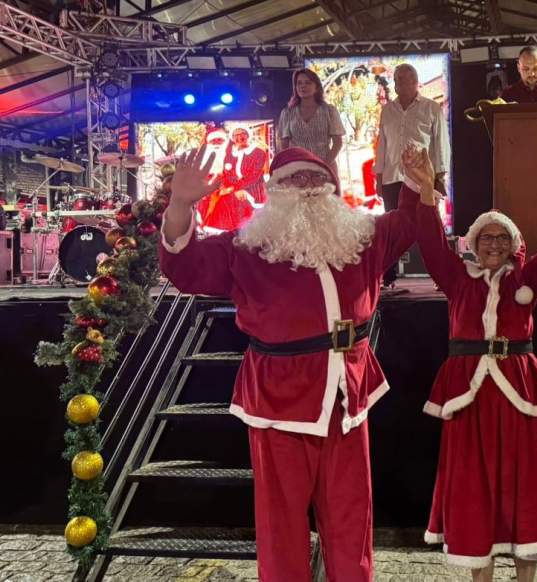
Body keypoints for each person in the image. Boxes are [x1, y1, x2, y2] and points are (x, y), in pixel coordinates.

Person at [159, 145, 421, 582]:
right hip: (279, 398)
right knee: (281, 523)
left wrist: (415, 181)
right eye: (295, 179)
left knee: (351, 514)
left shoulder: (361, 238)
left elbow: (408, 222)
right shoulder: (245, 247)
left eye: (316, 178)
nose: (308, 187)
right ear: (274, 190)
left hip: (347, 391)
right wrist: (180, 206)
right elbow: (185, 268)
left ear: (332, 187)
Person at [404, 147, 537, 582]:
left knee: (526, 485)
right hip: (468, 397)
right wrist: (424, 190)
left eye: (502, 238)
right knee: (472, 486)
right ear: (473, 244)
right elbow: (430, 243)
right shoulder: (457, 280)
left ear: (514, 245)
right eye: (486, 237)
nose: (494, 244)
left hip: (519, 394)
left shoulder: (526, 280)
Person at [374, 63, 451, 286]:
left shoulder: (431, 107)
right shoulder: (387, 110)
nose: (401, 83)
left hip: (421, 179)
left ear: (416, 82)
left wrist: (439, 177)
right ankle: (388, 278)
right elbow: (382, 145)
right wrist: (379, 178)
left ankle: (441, 276)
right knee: (391, 230)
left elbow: (441, 144)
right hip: (392, 177)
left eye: (407, 78)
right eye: (398, 79)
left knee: (429, 228)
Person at [277, 68, 345, 175]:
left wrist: (323, 165)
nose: (303, 86)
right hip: (297, 171)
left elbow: (338, 143)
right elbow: (284, 145)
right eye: (299, 83)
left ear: (316, 87)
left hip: (325, 168)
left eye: (308, 83)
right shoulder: (287, 113)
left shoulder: (329, 111)